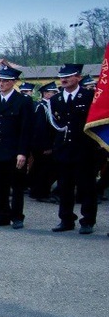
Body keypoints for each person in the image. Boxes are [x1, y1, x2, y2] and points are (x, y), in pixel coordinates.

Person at [48, 64, 100, 234]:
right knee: (65, 187)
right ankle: (66, 219)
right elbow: (54, 127)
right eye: (62, 76)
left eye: (68, 76)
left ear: (78, 77)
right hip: (63, 149)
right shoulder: (55, 100)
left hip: (84, 149)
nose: (64, 79)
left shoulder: (89, 96)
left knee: (87, 187)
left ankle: (87, 220)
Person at [0, 66, 33, 230]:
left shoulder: (23, 101)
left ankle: (17, 216)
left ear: (14, 82)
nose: (1, 84)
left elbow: (26, 129)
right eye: (0, 81)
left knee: (16, 186)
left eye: (5, 81)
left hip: (14, 151)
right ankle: (2, 214)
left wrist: (23, 152)